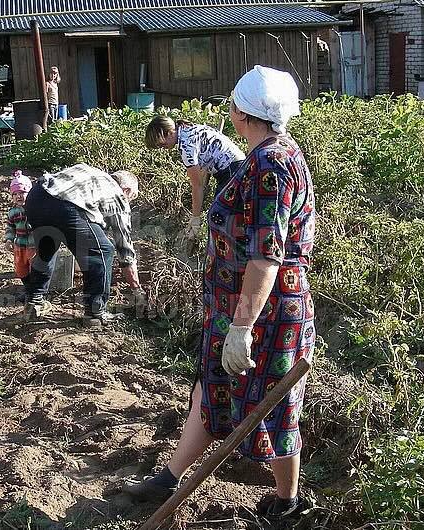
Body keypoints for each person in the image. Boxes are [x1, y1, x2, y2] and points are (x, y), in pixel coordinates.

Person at [125, 65, 316, 524]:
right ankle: (170, 476)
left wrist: (242, 328)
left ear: (242, 113)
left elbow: (266, 256)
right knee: (209, 389)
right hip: (233, 310)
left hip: (263, 315)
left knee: (274, 406)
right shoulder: (268, 155)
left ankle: (285, 501)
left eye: (231, 103)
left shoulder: (270, 167)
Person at [23, 163, 143, 327]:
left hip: (37, 196)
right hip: (65, 205)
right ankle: (96, 314)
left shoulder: (91, 173)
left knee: (47, 250)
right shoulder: (118, 196)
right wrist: (137, 290)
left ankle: (34, 301)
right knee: (103, 250)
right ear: (127, 191)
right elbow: (124, 248)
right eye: (132, 197)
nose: (128, 201)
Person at [145, 116, 245, 244]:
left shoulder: (186, 146)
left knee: (219, 218)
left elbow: (197, 186)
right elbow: (202, 173)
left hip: (232, 171)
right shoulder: (189, 129)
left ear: (170, 133)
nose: (162, 148)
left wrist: (195, 218)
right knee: (228, 217)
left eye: (162, 144)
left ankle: (228, 257)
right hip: (239, 165)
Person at [3, 171, 36, 280]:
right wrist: (9, 240)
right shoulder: (13, 212)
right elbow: (10, 228)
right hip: (19, 245)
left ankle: (34, 289)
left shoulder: (34, 209)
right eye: (15, 194)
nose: (19, 196)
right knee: (21, 269)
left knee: (35, 268)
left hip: (33, 245)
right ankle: (27, 286)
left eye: (22, 193)